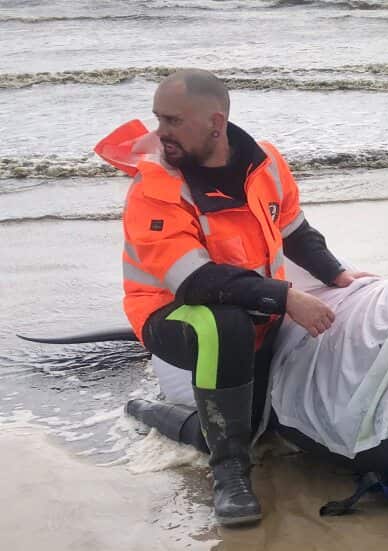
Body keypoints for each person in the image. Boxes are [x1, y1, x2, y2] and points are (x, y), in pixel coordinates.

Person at [96, 69, 371, 526]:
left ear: (215, 123)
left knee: (255, 425)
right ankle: (229, 474)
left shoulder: (265, 164)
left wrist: (337, 274)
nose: (158, 133)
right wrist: (285, 298)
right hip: (172, 312)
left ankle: (188, 424)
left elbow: (294, 230)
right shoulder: (156, 188)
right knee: (223, 326)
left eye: (172, 121)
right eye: (157, 119)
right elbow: (194, 282)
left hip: (252, 305)